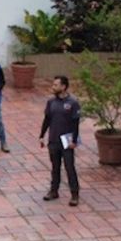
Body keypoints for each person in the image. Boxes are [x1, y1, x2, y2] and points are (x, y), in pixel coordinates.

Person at [39, 76, 81, 206]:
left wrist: (74, 140)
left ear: (63, 87)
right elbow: (47, 119)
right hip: (53, 139)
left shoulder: (73, 103)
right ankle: (53, 190)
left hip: (67, 139)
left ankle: (74, 194)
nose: (53, 87)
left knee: (69, 167)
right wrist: (42, 135)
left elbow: (76, 123)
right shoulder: (51, 102)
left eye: (56, 85)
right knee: (55, 167)